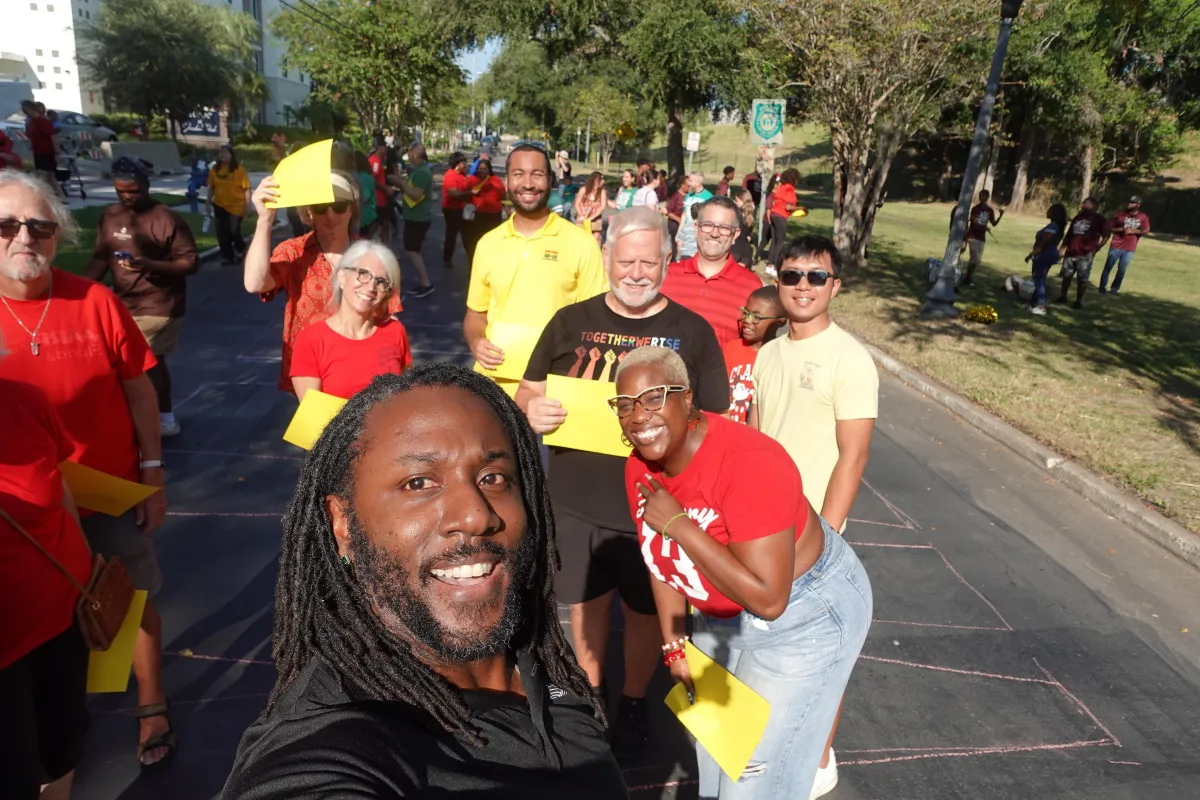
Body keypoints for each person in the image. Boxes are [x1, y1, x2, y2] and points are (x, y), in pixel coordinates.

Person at [222, 364, 627, 798]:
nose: (475, 515)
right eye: (418, 483)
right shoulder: (334, 738)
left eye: (492, 478)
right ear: (343, 524)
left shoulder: (536, 652)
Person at [515, 207, 728, 761]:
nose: (636, 273)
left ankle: (633, 700)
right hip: (575, 501)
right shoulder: (570, 321)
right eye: (626, 261)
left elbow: (715, 419)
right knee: (585, 607)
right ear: (607, 257)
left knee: (645, 612)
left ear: (667, 261)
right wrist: (532, 410)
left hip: (655, 506)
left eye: (648, 263)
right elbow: (528, 390)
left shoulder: (693, 332)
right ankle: (592, 700)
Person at [614, 346, 872, 800]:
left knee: (755, 780)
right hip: (724, 615)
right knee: (717, 753)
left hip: (802, 614)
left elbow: (769, 600)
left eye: (654, 398)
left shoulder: (748, 462)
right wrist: (674, 647)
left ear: (687, 398)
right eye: (624, 405)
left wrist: (680, 525)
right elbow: (661, 558)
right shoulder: (641, 465)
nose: (638, 416)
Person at [0, 170, 174, 770]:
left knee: (128, 598)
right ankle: (63, 718)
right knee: (43, 622)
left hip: (109, 490)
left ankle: (151, 703)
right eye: (6, 226)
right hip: (23, 512)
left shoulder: (95, 301)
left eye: (40, 226)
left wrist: (152, 473)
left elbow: (140, 391)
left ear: (58, 235)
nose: (25, 238)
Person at [750, 236, 879, 797]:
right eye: (792, 275)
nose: (803, 286)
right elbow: (757, 439)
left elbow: (854, 454)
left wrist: (826, 535)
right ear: (778, 282)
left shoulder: (849, 359)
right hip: (760, 529)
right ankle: (770, 749)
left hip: (812, 540)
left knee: (821, 654)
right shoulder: (769, 352)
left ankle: (819, 760)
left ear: (835, 286)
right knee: (765, 649)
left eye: (816, 277)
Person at [0, 380, 91, 800]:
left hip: (62, 615)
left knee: (63, 745)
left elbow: (59, 486)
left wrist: (86, 574)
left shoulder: (22, 400)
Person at [465, 144, 607, 397]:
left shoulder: (582, 243)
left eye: (537, 174)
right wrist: (476, 341)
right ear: (507, 181)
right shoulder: (488, 243)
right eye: (518, 174)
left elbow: (597, 321)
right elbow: (475, 314)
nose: (528, 184)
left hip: (555, 389)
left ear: (551, 181)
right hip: (494, 386)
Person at [245, 170, 402, 391]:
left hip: (363, 376)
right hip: (309, 377)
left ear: (351, 209)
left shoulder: (372, 256)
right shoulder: (294, 252)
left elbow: (389, 316)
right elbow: (255, 283)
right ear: (309, 213)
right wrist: (264, 221)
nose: (330, 215)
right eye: (320, 207)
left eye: (339, 205)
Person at [85, 157, 199, 438]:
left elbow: (189, 262)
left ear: (146, 185)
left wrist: (149, 265)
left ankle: (163, 418)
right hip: (124, 302)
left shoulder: (166, 219)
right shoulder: (110, 217)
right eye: (120, 191)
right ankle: (141, 414)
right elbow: (100, 258)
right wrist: (78, 291)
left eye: (133, 191)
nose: (127, 197)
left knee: (146, 361)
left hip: (160, 303)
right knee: (126, 363)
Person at [289, 241, 410, 402]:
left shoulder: (395, 331)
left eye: (381, 281)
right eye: (363, 274)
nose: (371, 287)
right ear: (342, 276)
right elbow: (313, 412)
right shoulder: (311, 341)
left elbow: (407, 398)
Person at [663, 196, 764, 348]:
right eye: (708, 225)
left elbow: (754, 347)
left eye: (724, 228)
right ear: (696, 227)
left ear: (735, 234)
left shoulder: (751, 286)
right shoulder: (666, 276)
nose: (714, 233)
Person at [724, 286, 785, 424]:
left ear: (780, 322)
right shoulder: (732, 348)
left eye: (757, 317)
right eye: (745, 312)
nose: (747, 319)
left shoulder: (780, 358)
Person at [394, 142, 437, 298]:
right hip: (414, 216)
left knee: (412, 250)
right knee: (413, 250)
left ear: (414, 154)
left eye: (409, 152)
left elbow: (415, 195)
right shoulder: (418, 171)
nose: (408, 155)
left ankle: (426, 284)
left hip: (418, 217)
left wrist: (400, 183)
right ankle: (423, 283)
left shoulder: (422, 173)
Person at [1056, 196, 1109, 309]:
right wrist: (1062, 248)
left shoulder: (1099, 219)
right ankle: (1062, 297)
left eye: (1086, 204)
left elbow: (1106, 236)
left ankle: (1078, 301)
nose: (1083, 205)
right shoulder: (1078, 217)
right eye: (1083, 203)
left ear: (1094, 206)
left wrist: (1096, 248)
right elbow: (1069, 234)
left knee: (1082, 279)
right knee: (1067, 276)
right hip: (1071, 252)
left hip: (1085, 254)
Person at [205, 144, 251, 266]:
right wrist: (208, 202)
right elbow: (211, 187)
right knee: (222, 233)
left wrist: (248, 205)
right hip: (219, 205)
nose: (223, 155)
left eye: (226, 153)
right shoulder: (215, 170)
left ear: (231, 155)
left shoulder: (239, 170)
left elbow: (246, 188)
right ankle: (228, 257)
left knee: (233, 231)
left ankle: (241, 249)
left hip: (236, 206)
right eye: (221, 153)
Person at [1098, 195, 1151, 295]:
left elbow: (1146, 230)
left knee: (1122, 270)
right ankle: (1102, 288)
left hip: (1130, 248)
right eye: (1129, 202)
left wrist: (1134, 231)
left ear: (1138, 205)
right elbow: (1110, 228)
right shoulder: (1120, 215)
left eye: (1133, 203)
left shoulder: (1143, 217)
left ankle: (1114, 289)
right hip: (1116, 245)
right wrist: (1121, 229)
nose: (1130, 204)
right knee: (1108, 267)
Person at [1025, 203, 1068, 316]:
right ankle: (1033, 303)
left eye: (1050, 209)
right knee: (1039, 278)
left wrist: (1032, 254)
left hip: (1045, 254)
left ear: (1054, 213)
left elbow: (1044, 242)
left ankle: (1041, 306)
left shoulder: (1053, 226)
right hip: (1049, 254)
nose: (1047, 211)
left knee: (1039, 280)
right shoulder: (1056, 226)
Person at [464, 157, 505, 265]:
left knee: (493, 240)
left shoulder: (496, 180)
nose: (482, 171)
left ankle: (490, 262)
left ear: (489, 170)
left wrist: (507, 210)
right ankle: (474, 263)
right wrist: (471, 192)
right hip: (477, 215)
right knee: (476, 240)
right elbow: (462, 193)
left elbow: (503, 196)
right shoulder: (472, 180)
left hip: (494, 215)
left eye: (485, 169)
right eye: (480, 169)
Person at [959, 189, 1004, 287]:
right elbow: (974, 222)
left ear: (987, 197)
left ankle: (968, 277)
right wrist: (984, 227)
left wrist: (1001, 215)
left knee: (977, 261)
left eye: (984, 196)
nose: (981, 198)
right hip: (973, 236)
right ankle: (967, 278)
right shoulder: (975, 209)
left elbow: (993, 223)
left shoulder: (990, 210)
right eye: (980, 196)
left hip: (981, 238)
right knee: (974, 259)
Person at [441, 151, 473, 269]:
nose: (466, 165)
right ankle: (447, 258)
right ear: (457, 164)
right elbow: (453, 193)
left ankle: (470, 258)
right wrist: (469, 193)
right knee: (453, 234)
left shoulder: (462, 175)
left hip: (461, 208)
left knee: (465, 233)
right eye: (464, 163)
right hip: (451, 209)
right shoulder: (450, 175)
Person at [22, 100, 61, 197]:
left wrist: (56, 153)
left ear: (30, 110)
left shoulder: (44, 122)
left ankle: (41, 197)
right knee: (50, 178)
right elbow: (30, 135)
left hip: (47, 152)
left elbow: (53, 138)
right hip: (38, 152)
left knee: (43, 177)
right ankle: (60, 196)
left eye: (25, 111)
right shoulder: (32, 123)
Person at [767, 169, 803, 268]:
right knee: (780, 242)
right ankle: (776, 266)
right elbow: (788, 207)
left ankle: (769, 265)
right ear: (794, 179)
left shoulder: (781, 187)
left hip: (773, 214)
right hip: (780, 216)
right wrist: (801, 208)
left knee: (774, 241)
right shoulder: (790, 189)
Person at [678, 173, 714, 261]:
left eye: (690, 181)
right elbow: (684, 214)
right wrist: (679, 232)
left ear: (698, 182)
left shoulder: (709, 197)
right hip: (686, 232)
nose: (688, 183)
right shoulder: (688, 195)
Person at [366, 142, 392, 243]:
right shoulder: (376, 161)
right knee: (381, 225)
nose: (386, 149)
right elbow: (373, 179)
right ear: (379, 148)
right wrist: (385, 188)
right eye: (384, 147)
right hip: (378, 199)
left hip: (380, 198)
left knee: (382, 224)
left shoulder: (380, 160)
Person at [575, 171, 608, 242]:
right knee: (581, 240)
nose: (603, 181)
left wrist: (592, 217)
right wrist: (581, 215)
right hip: (582, 218)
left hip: (595, 219)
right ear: (595, 180)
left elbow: (603, 207)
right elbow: (577, 204)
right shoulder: (583, 190)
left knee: (595, 239)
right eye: (601, 179)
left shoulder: (602, 192)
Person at [354, 151, 380, 238]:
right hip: (363, 218)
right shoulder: (360, 176)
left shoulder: (364, 177)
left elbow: (364, 198)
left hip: (365, 219)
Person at [730, 187, 756, 268]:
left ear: (742, 200)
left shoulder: (736, 214)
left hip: (735, 249)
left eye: (736, 200)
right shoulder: (751, 216)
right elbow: (749, 237)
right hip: (746, 250)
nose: (735, 202)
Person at [664, 177, 686, 261]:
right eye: (688, 185)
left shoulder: (689, 196)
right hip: (674, 225)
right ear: (682, 185)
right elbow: (668, 212)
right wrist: (679, 220)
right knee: (674, 245)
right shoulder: (676, 196)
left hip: (684, 224)